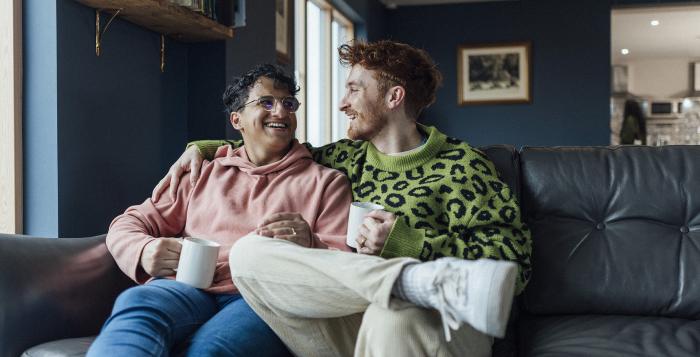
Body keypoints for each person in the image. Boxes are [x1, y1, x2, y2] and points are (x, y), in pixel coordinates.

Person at [154, 40, 533, 356]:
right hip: (353, 313)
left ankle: (418, 284)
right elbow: (264, 144)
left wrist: (407, 243)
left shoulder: (462, 166)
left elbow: (511, 262)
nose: (342, 103)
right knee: (248, 253)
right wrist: (201, 148)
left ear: (393, 97)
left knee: (395, 318)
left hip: (433, 317)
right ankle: (407, 279)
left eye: (354, 89)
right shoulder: (341, 158)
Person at [87, 64, 353, 356]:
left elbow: (345, 265)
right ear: (236, 119)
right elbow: (129, 223)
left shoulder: (327, 183)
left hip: (261, 298)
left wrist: (310, 244)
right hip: (186, 285)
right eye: (266, 102)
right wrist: (144, 250)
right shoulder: (201, 172)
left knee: (210, 350)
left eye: (288, 104)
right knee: (136, 306)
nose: (281, 112)